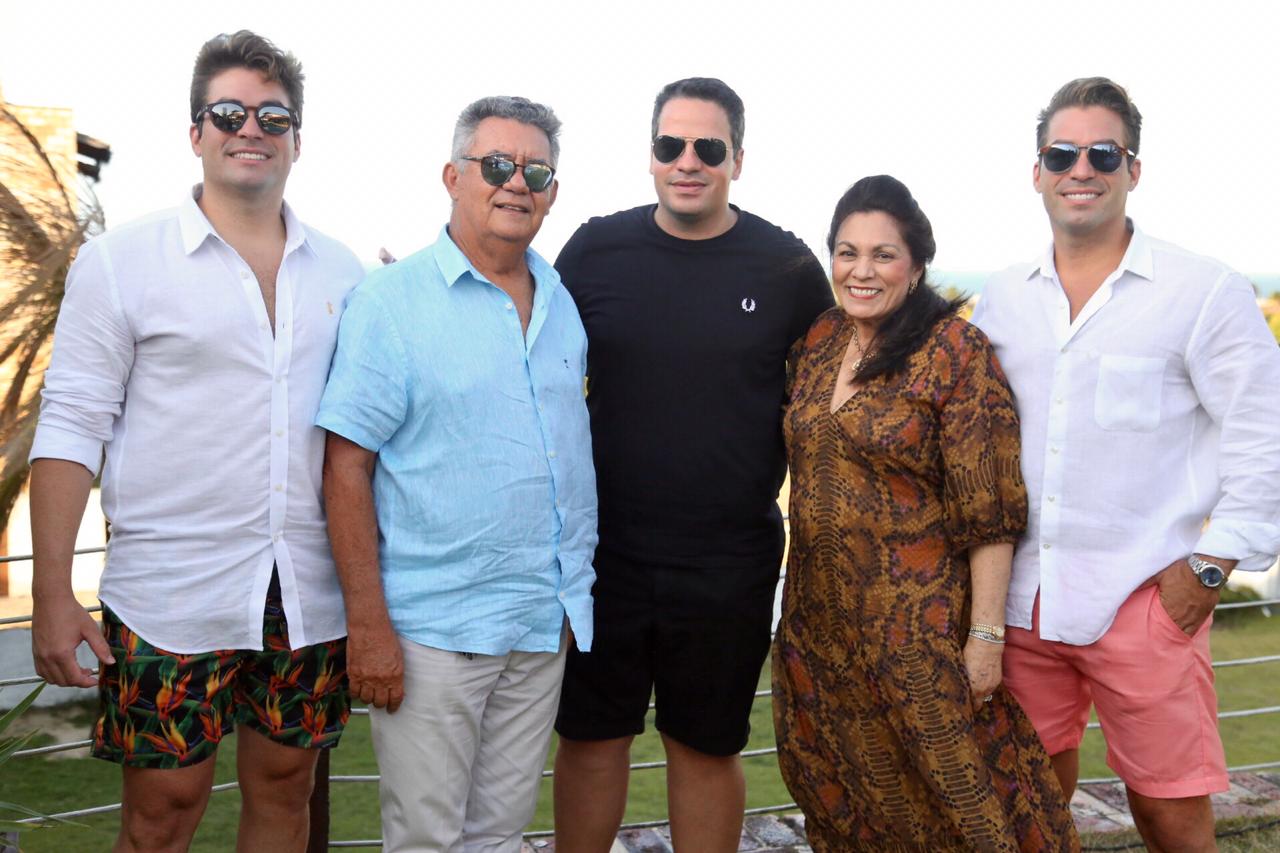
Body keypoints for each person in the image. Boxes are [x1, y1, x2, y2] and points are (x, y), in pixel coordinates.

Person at [28, 30, 361, 852]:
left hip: (307, 593)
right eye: (229, 112)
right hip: (170, 594)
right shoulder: (120, 262)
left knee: (287, 791)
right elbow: (71, 424)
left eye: (273, 116)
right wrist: (53, 592)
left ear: (297, 140)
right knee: (161, 814)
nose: (251, 129)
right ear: (196, 132)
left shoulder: (345, 273)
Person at [971, 77, 1280, 852]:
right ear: (1037, 171)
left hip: (1148, 598)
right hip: (1024, 605)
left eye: (1102, 153)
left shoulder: (1203, 290)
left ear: (1132, 169)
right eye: (1062, 154)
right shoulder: (1003, 298)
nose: (1081, 169)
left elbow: (1263, 434)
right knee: (1029, 810)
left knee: (1168, 812)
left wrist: (1209, 569)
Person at [552, 77, 834, 852]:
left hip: (729, 562)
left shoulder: (787, 268)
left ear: (738, 159)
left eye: (708, 147)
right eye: (670, 145)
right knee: (590, 737)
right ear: (649, 154)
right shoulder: (594, 250)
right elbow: (524, 356)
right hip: (602, 554)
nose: (688, 161)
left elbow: (842, 393)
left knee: (706, 746)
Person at [317, 95, 596, 853]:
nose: (516, 183)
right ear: (452, 177)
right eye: (496, 165)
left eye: (536, 171)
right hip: (433, 634)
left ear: (553, 191)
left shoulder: (561, 302)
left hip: (539, 621)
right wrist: (368, 626)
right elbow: (345, 467)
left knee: (499, 835)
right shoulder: (391, 304)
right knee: (426, 840)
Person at [773, 175, 1080, 852]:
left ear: (916, 266)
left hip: (918, 640)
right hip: (818, 635)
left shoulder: (954, 353)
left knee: (962, 809)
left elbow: (990, 511)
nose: (862, 270)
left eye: (883, 254)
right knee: (843, 803)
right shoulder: (819, 341)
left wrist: (986, 638)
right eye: (847, 252)